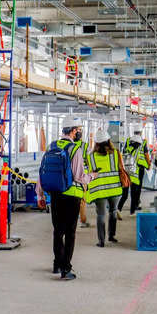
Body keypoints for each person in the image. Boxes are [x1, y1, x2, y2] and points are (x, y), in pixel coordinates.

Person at [51, 116, 94, 280]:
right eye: (79, 130)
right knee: (70, 233)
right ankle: (66, 269)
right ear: (74, 131)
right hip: (71, 196)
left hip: (55, 194)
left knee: (57, 231)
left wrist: (40, 193)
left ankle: (57, 263)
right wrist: (92, 176)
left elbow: (44, 171)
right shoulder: (75, 149)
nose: (80, 133)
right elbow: (78, 176)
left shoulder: (52, 146)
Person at [85, 129, 125, 247]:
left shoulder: (90, 156)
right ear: (109, 141)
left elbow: (88, 172)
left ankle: (101, 241)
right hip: (114, 189)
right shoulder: (116, 153)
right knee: (113, 212)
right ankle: (111, 236)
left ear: (96, 143)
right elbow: (121, 168)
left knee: (101, 215)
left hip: (99, 191)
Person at [118, 129, 150, 217]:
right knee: (134, 192)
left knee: (125, 193)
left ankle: (118, 208)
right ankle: (133, 211)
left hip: (126, 170)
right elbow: (146, 155)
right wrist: (149, 165)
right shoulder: (143, 143)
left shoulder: (128, 142)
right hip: (136, 171)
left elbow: (122, 154)